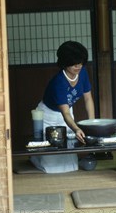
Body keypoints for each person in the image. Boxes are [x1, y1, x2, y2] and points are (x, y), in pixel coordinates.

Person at [30, 41, 95, 173]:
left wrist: (92, 124)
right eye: (74, 63)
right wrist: (76, 128)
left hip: (67, 114)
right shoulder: (58, 82)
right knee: (51, 165)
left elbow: (88, 98)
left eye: (81, 62)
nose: (78, 66)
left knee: (71, 164)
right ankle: (35, 157)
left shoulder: (82, 72)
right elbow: (64, 113)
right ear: (64, 63)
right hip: (48, 116)